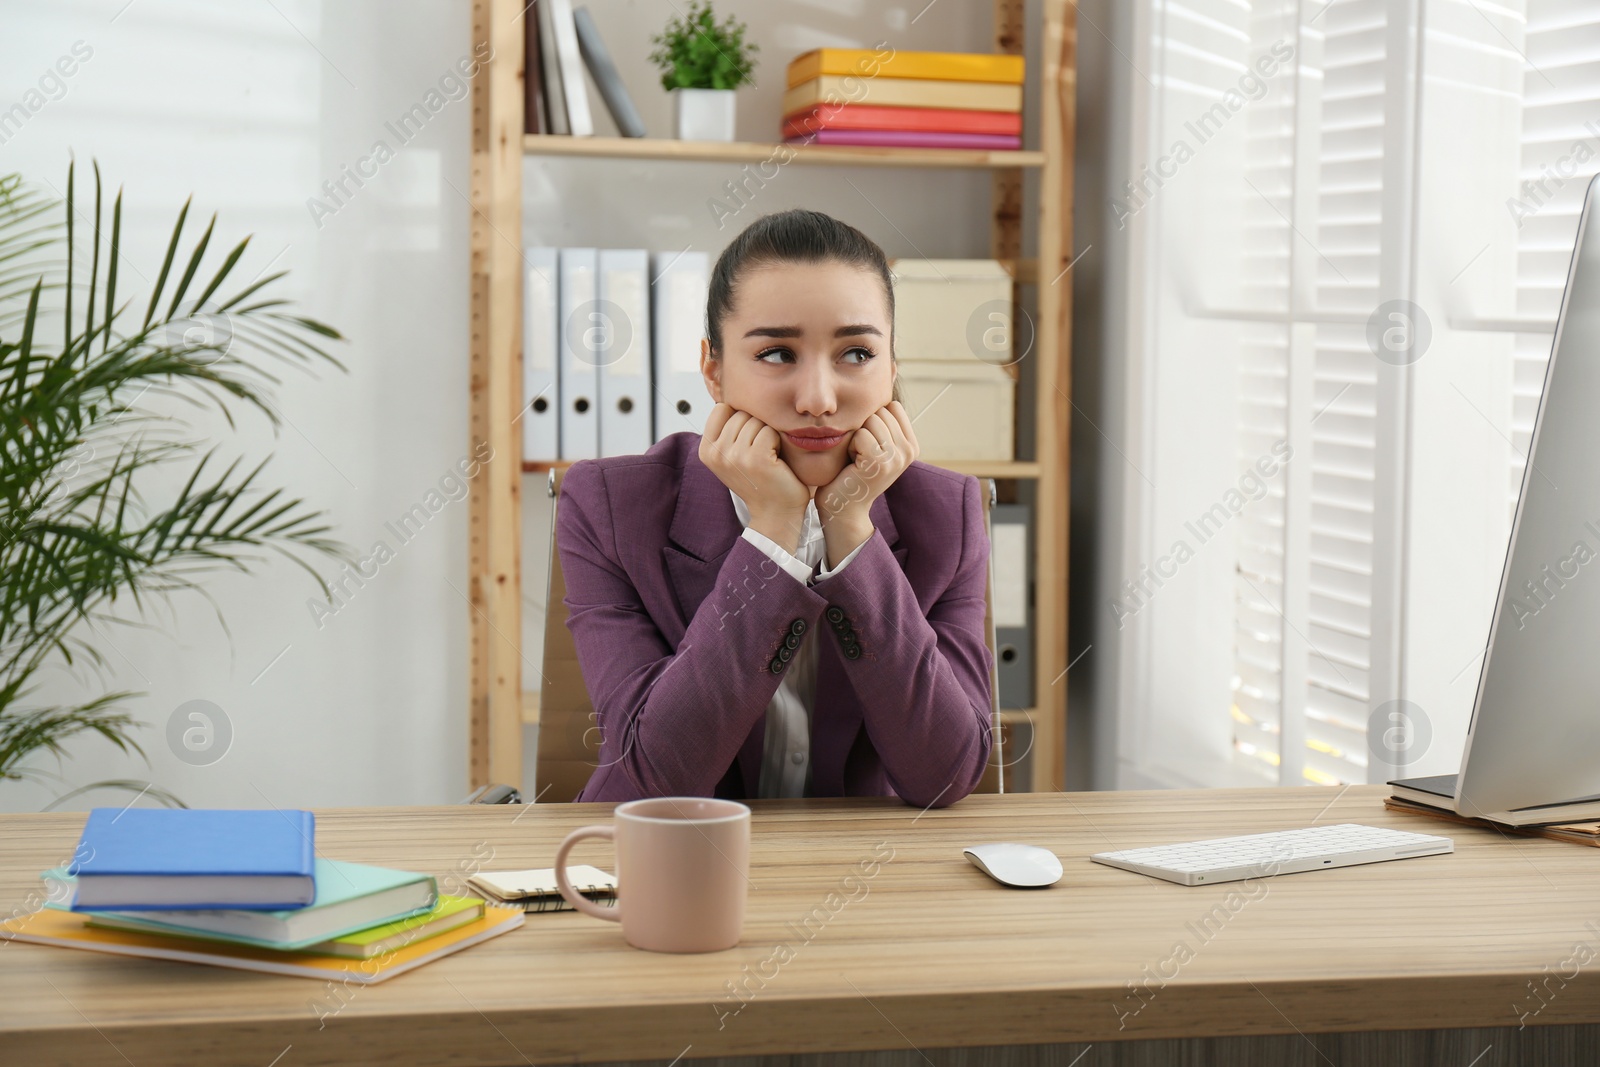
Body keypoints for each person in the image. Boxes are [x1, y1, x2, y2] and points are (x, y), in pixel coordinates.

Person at [555, 207, 994, 807]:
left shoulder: (949, 513)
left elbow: (946, 774)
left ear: (892, 369)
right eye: (778, 354)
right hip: (673, 868)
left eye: (857, 354)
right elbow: (660, 778)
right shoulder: (608, 505)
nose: (818, 399)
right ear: (713, 368)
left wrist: (850, 526)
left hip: (866, 875)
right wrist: (773, 534)